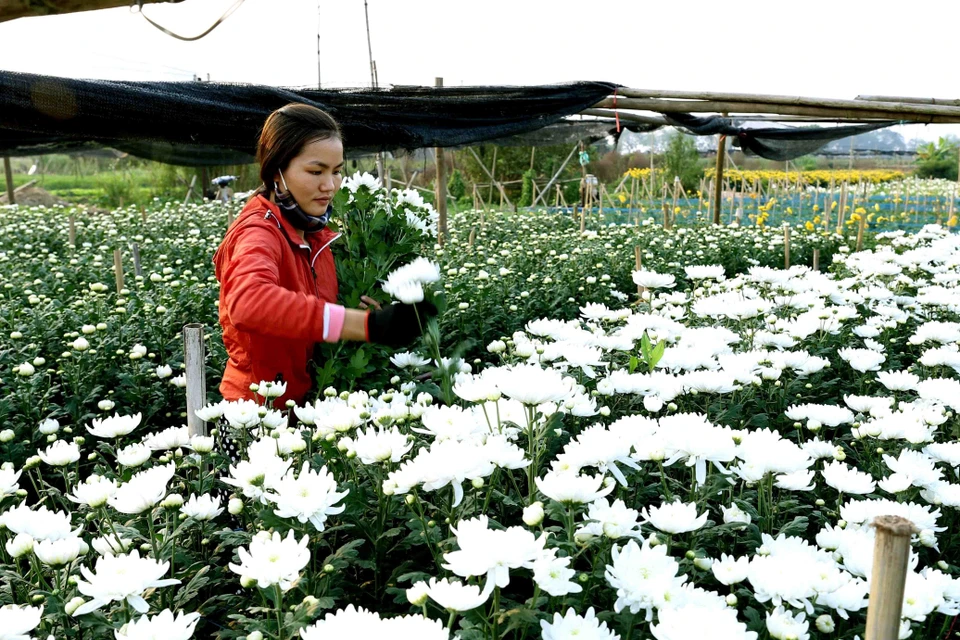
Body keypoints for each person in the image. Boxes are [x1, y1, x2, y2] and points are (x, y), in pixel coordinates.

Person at [213, 103, 434, 409]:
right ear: (276, 172)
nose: (329, 186)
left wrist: (362, 311)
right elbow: (248, 302)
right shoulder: (259, 232)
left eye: (337, 171)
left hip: (300, 409)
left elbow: (304, 312)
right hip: (252, 418)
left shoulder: (314, 235)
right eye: (315, 171)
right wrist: (364, 325)